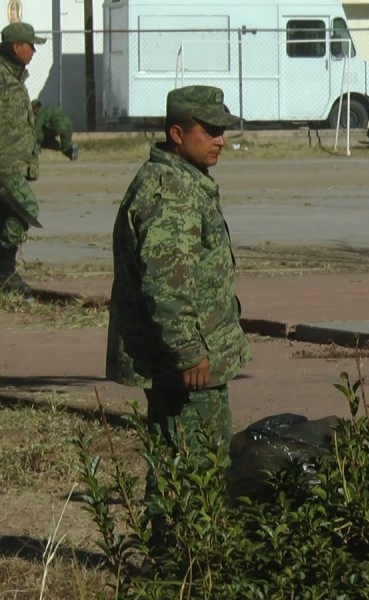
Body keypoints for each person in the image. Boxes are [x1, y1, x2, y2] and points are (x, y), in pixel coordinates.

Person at [106, 85, 252, 536]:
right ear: (176, 133)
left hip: (191, 355)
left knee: (183, 453)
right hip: (185, 362)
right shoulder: (170, 190)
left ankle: (184, 552)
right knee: (191, 457)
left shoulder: (183, 180)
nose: (220, 140)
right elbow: (165, 283)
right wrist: (189, 349)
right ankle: (183, 554)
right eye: (209, 131)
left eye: (222, 131)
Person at [0, 22, 45, 295]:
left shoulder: (14, 77)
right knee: (25, 208)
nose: (34, 52)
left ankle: (5, 275)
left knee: (6, 215)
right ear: (17, 47)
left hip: (14, 164)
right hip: (4, 166)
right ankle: (5, 273)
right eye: (31, 46)